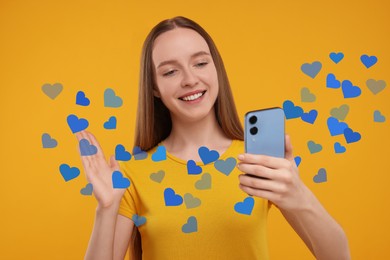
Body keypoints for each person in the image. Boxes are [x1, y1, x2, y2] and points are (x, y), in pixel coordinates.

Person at [76, 16, 350, 260]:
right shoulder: (132, 174)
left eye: (201, 63)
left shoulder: (257, 162)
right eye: (170, 71)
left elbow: (338, 255)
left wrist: (297, 194)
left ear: (216, 69)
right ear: (155, 88)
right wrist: (107, 209)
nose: (190, 79)